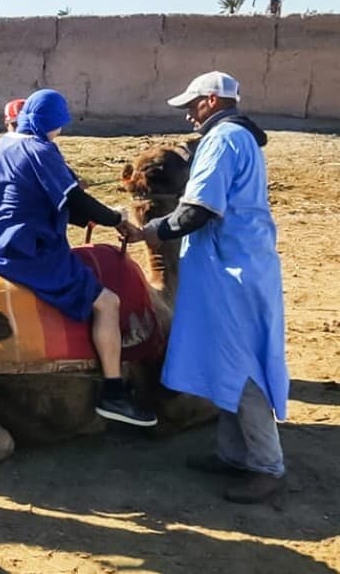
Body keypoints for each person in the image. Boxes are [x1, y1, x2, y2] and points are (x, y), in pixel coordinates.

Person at [0, 88, 157, 426]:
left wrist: (90, 211)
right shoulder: (42, 149)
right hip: (25, 253)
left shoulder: (1, 145)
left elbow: (38, 199)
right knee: (108, 302)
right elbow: (75, 203)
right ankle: (113, 392)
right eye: (60, 124)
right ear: (53, 123)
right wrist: (118, 220)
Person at [144, 71, 288, 504]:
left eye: (192, 104)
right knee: (226, 362)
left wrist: (152, 230)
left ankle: (266, 464)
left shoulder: (223, 140)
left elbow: (199, 209)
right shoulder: (234, 138)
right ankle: (233, 454)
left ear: (211, 100)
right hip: (233, 265)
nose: (188, 113)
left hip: (233, 272)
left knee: (243, 367)